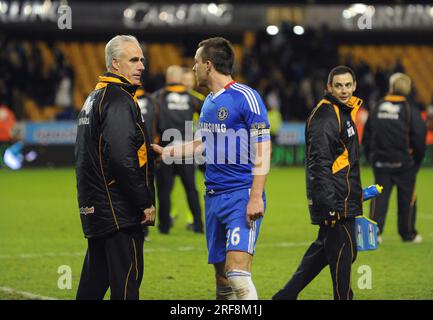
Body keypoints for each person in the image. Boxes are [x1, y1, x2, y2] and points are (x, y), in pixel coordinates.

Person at [152, 37, 271, 300]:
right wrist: (169, 152)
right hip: (213, 197)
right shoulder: (208, 102)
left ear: (208, 65)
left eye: (195, 63)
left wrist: (255, 196)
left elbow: (263, 148)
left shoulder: (247, 97)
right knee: (222, 282)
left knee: (237, 276)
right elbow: (203, 142)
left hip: (241, 195)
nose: (192, 69)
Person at [75, 35, 156, 300]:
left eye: (142, 59)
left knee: (94, 282)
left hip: (96, 207)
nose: (141, 65)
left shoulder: (94, 97)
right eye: (134, 60)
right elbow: (121, 159)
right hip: (118, 210)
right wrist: (144, 202)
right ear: (115, 64)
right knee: (126, 284)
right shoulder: (119, 99)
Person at [273, 66, 363, 300]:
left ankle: (285, 296)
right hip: (335, 200)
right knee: (344, 254)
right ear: (328, 88)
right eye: (338, 86)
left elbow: (343, 162)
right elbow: (319, 164)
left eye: (347, 85)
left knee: (326, 251)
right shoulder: (325, 116)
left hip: (343, 194)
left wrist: (359, 192)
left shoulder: (343, 112)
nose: (344, 90)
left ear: (354, 86)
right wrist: (328, 203)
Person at [362, 73, 426, 244]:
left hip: (380, 162)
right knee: (407, 198)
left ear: (391, 87)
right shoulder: (410, 109)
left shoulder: (377, 107)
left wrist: (370, 157)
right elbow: (419, 137)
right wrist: (416, 162)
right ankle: (408, 234)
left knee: (379, 197)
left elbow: (367, 135)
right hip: (403, 163)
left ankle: (373, 233)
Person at [152, 65, 204, 234]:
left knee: (164, 191)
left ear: (167, 78)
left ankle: (164, 226)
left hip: (165, 151)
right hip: (186, 151)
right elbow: (208, 113)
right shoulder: (192, 98)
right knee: (191, 189)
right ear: (181, 79)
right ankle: (198, 225)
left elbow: (151, 121)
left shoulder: (157, 98)